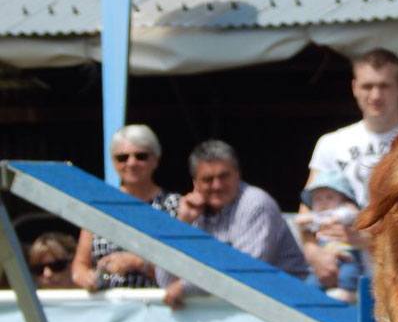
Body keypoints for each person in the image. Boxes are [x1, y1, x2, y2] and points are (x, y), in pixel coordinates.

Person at [159, 139, 308, 309]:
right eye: (208, 179)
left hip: (287, 310)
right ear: (196, 184)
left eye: (224, 176)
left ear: (238, 174)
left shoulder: (256, 204)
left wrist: (186, 287)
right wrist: (182, 224)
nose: (217, 185)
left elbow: (244, 272)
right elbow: (166, 280)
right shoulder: (195, 212)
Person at [302, 48, 398, 288]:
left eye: (384, 86)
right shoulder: (331, 144)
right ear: (354, 87)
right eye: (367, 86)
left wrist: (370, 239)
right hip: (342, 271)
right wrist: (314, 254)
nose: (376, 95)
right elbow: (307, 212)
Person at [71, 125, 180, 290]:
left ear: (156, 160)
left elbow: (186, 271)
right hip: (108, 310)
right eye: (122, 158)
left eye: (141, 156)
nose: (131, 163)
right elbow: (79, 266)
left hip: (159, 307)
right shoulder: (99, 207)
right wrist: (87, 278)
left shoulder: (175, 206)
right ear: (113, 162)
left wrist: (137, 263)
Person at [296, 171, 363, 303]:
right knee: (312, 281)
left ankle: (348, 291)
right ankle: (312, 297)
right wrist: (306, 220)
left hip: (346, 254)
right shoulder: (317, 216)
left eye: (329, 197)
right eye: (318, 199)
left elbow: (350, 214)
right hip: (324, 255)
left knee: (349, 273)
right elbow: (301, 222)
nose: (324, 202)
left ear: (343, 199)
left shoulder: (343, 211)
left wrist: (335, 217)